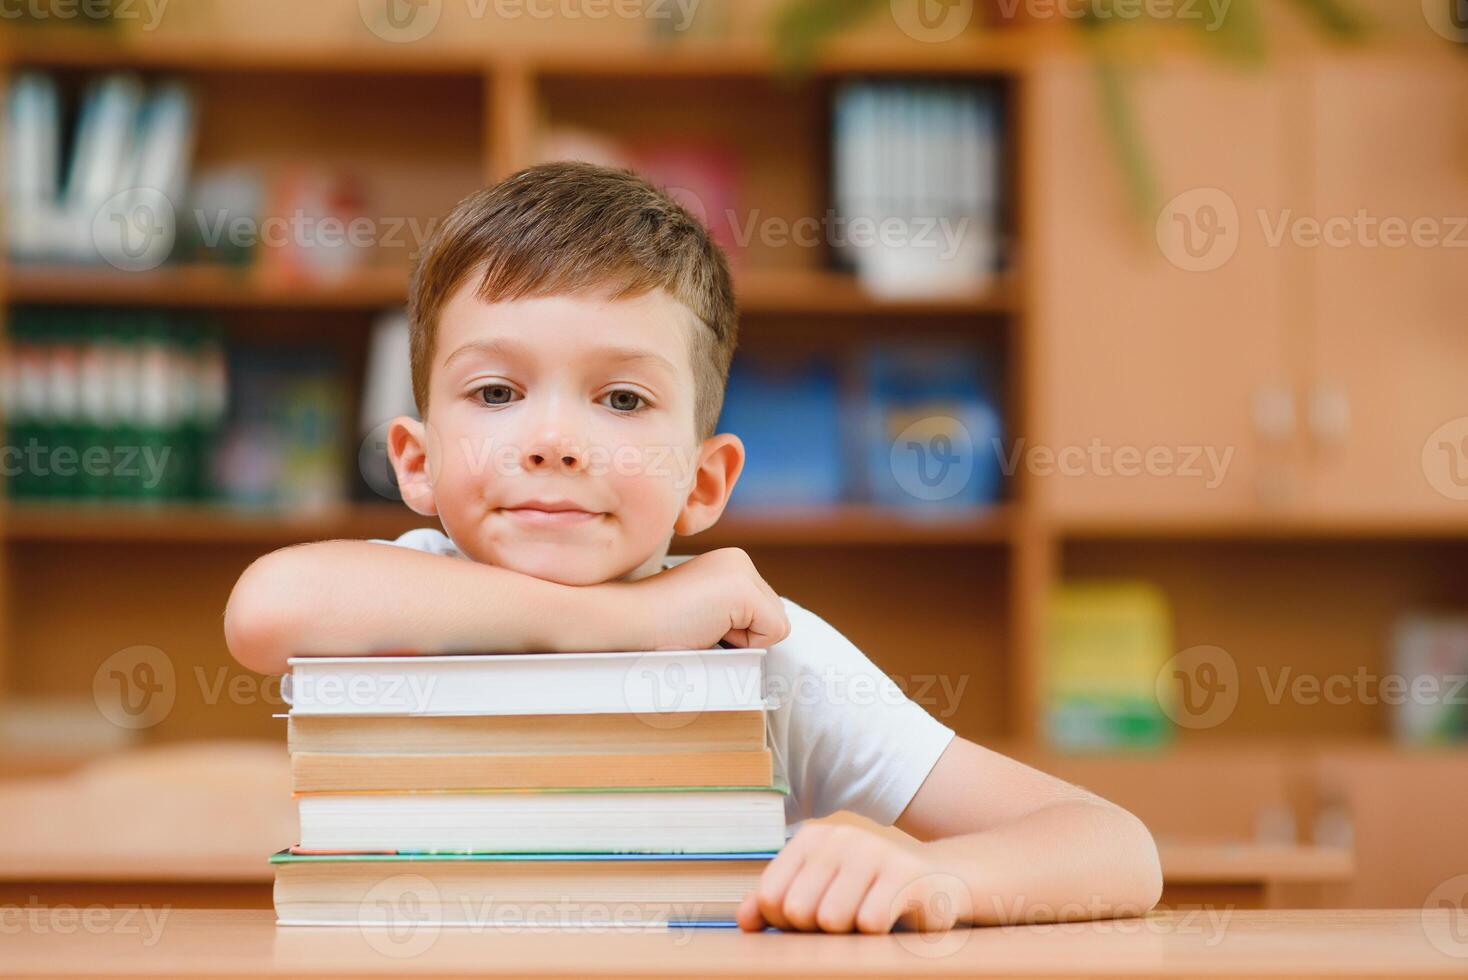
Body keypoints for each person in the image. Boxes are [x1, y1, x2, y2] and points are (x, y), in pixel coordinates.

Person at [225, 161, 1162, 934]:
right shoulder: (401, 596)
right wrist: (630, 618)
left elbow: (1114, 847)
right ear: (414, 464)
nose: (552, 439)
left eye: (622, 399)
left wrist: (939, 878)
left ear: (704, 483)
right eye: (497, 393)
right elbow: (265, 612)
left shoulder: (759, 652)